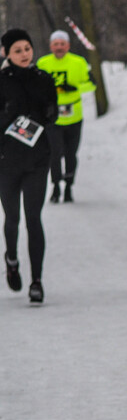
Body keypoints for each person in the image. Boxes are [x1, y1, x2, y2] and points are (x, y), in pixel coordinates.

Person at [0, 29, 58, 304]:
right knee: (12, 219)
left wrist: (48, 115)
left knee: (34, 219)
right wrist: (8, 115)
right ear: (6, 54)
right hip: (6, 162)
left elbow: (52, 111)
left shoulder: (43, 78)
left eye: (27, 48)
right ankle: (11, 259)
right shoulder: (1, 81)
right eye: (17, 51)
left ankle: (37, 280)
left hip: (37, 159)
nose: (24, 54)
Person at [36, 30, 96, 203]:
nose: (59, 47)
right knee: (54, 153)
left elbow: (91, 85)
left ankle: (69, 185)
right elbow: (37, 87)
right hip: (53, 117)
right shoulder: (43, 63)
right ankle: (56, 186)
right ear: (51, 46)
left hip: (74, 117)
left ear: (68, 46)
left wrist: (75, 88)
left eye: (62, 44)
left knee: (71, 153)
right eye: (56, 44)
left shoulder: (79, 62)